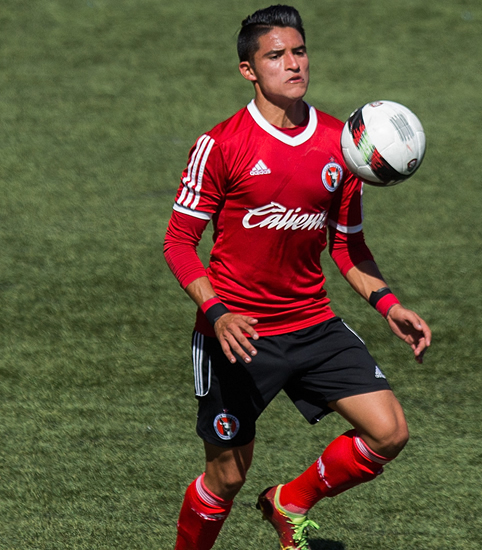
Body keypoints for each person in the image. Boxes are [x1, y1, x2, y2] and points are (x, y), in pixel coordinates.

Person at [161, 5, 432, 549]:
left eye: (299, 51)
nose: (293, 64)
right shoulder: (223, 144)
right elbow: (178, 243)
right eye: (276, 55)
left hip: (313, 324)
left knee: (389, 431)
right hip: (239, 336)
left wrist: (389, 304)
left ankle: (291, 501)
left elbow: (347, 244)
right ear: (249, 70)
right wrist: (217, 312)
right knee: (226, 478)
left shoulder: (343, 145)